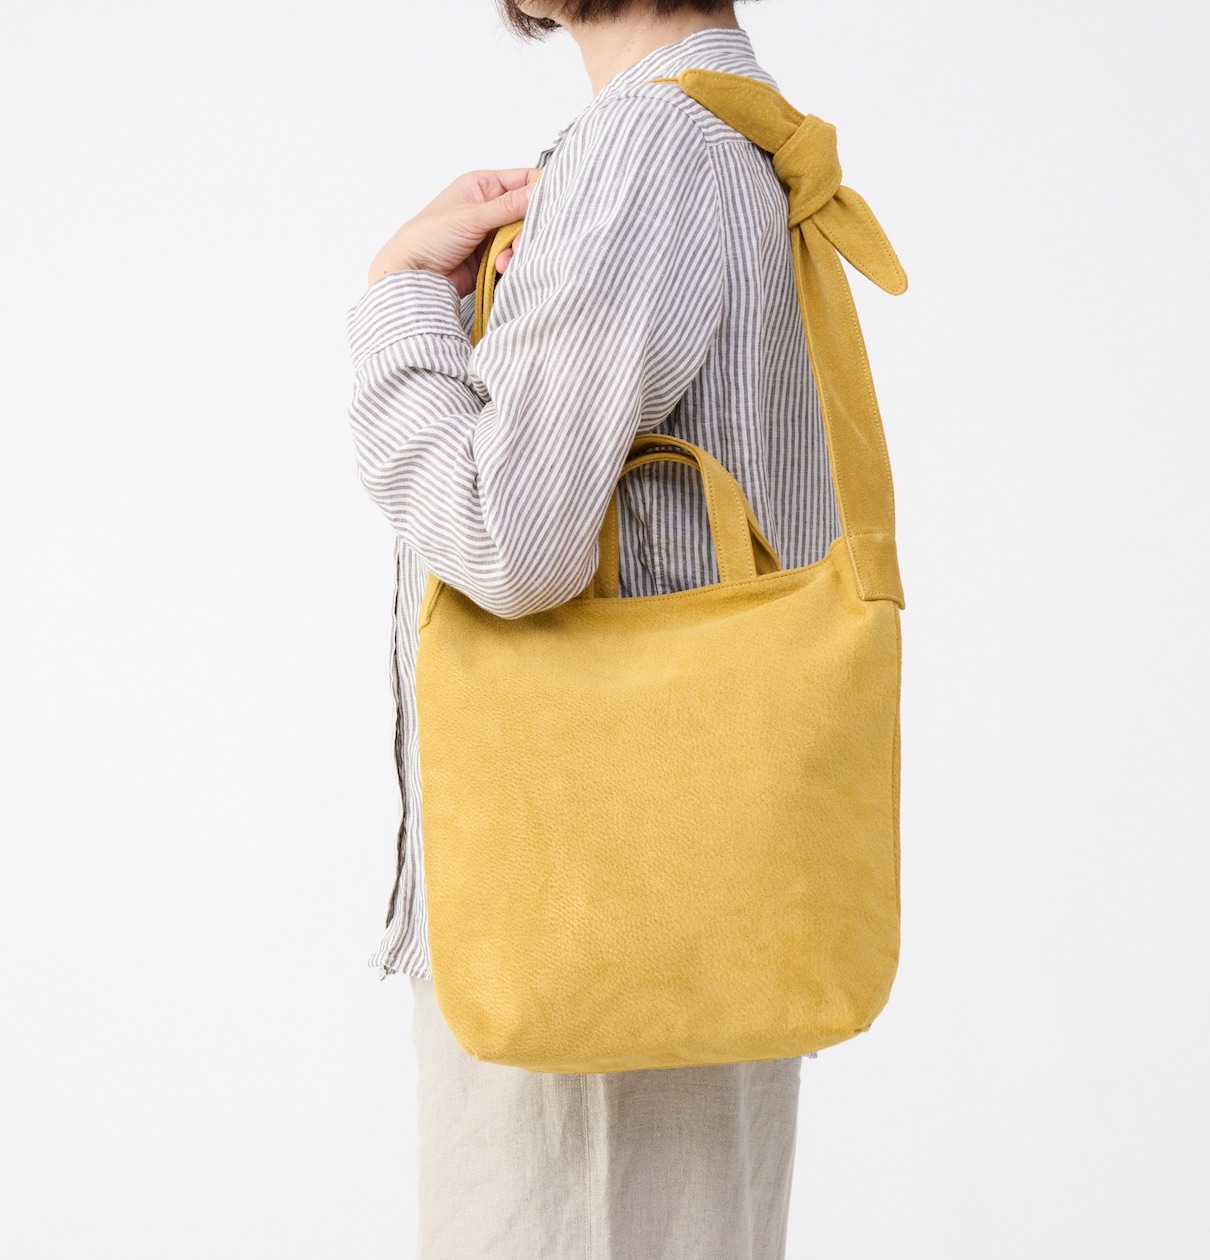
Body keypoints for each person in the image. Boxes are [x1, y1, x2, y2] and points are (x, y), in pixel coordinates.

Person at [347, 2, 845, 1255]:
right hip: (691, 900)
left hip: (579, 925)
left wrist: (400, 302)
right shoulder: (736, 137)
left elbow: (504, 538)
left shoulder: (647, 151)